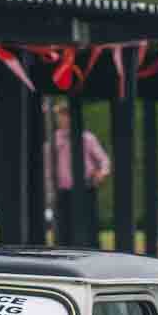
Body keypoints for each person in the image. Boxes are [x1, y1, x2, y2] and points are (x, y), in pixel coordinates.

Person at [45, 100, 110, 245]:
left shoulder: (87, 138)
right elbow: (48, 168)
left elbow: (104, 160)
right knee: (64, 230)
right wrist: (50, 190)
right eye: (59, 116)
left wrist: (102, 173)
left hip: (85, 190)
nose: (60, 119)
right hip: (63, 192)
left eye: (63, 115)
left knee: (88, 229)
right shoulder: (54, 140)